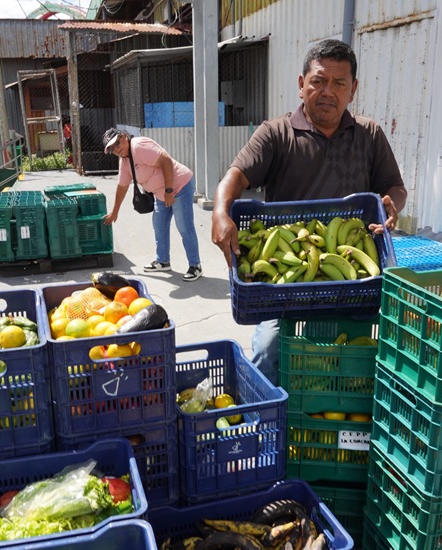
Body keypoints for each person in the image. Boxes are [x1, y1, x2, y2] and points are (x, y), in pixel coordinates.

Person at [211, 39, 407, 384]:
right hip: (285, 281)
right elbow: (236, 176)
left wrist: (392, 204)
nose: (328, 91)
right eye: (318, 81)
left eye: (339, 83)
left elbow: (395, 187)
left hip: (350, 281)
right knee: (267, 354)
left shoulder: (369, 135)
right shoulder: (276, 133)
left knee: (362, 362)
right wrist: (220, 212)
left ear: (353, 89)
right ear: (302, 84)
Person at [103, 127, 203, 281]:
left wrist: (169, 190)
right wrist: (115, 211)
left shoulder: (139, 146)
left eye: (117, 143)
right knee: (159, 226)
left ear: (123, 137)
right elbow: (122, 186)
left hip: (178, 187)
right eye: (112, 148)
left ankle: (195, 266)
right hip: (160, 194)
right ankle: (163, 261)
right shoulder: (125, 160)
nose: (116, 149)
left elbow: (165, 160)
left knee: (184, 227)